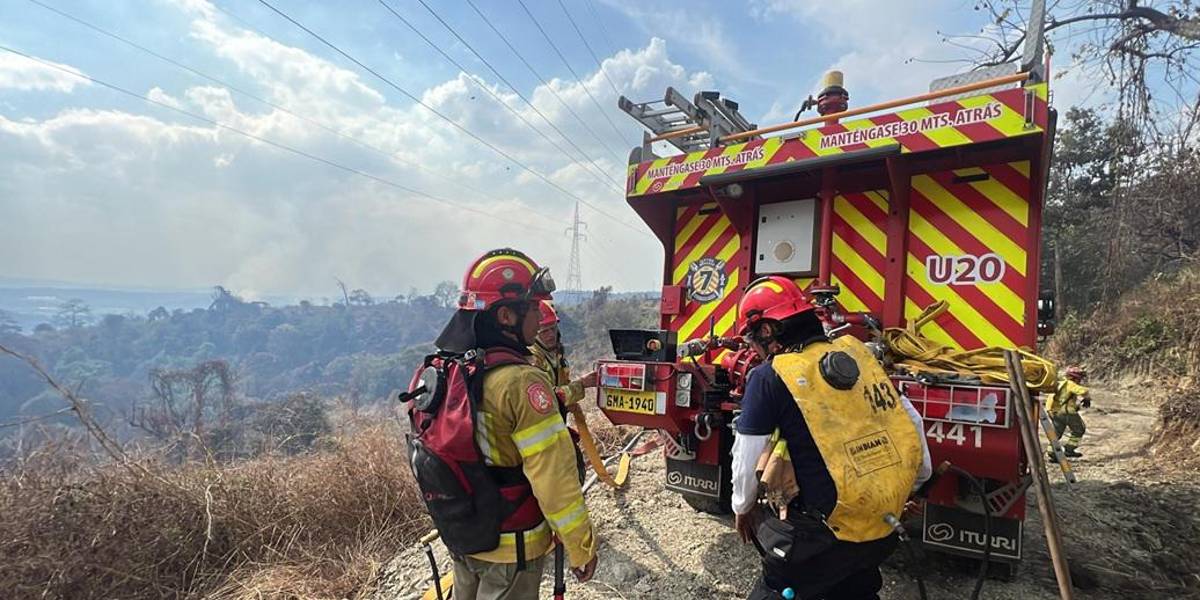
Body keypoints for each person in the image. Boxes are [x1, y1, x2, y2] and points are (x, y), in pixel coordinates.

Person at [730, 276, 931, 600]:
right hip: (881, 533)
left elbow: (746, 458)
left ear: (767, 331)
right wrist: (918, 485)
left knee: (781, 587)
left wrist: (742, 507)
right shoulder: (862, 359)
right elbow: (911, 423)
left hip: (818, 544)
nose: (754, 351)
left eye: (753, 340)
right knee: (855, 586)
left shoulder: (770, 376)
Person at [433, 248, 598, 599]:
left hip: (464, 534)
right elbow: (553, 477)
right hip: (511, 547)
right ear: (506, 315)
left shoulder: (452, 367)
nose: (540, 320)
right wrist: (580, 546)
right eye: (534, 309)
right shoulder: (521, 382)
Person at [529, 300, 598, 481]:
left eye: (552, 328)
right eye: (543, 332)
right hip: (541, 436)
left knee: (575, 471)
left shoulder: (554, 353)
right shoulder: (532, 359)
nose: (550, 335)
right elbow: (548, 399)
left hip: (556, 427)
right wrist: (581, 384)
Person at [1047, 366, 1091, 459]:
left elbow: (1051, 398)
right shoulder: (1070, 384)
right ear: (1075, 377)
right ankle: (1069, 449)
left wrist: (1049, 411)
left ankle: (1052, 451)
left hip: (1056, 412)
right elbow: (1083, 390)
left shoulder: (1059, 383)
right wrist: (1087, 398)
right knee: (1079, 429)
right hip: (1067, 412)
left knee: (1056, 433)